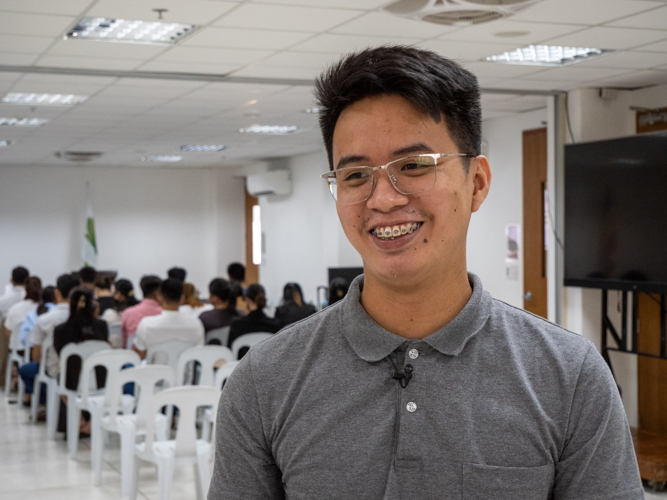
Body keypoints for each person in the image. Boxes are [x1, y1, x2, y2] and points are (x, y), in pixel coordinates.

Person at [210, 46, 643, 499]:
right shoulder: (265, 381)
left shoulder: (568, 376)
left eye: (413, 166)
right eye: (356, 175)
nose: (383, 199)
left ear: (476, 183)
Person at [53, 287, 109, 435]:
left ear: (70, 304)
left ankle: (80, 420)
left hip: (72, 383)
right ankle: (91, 424)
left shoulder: (60, 330)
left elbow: (61, 355)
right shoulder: (101, 326)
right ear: (93, 305)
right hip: (101, 381)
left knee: (61, 377)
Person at [133, 278, 204, 360]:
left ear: (160, 297)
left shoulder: (146, 324)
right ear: (182, 298)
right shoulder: (196, 324)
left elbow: (140, 356)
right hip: (185, 372)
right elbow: (199, 354)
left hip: (156, 372)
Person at [31, 273, 79, 379]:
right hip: (83, 371)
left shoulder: (43, 320)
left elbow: (36, 357)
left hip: (54, 370)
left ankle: (45, 395)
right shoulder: (89, 320)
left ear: (56, 293)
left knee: (26, 370)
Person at [18, 286, 56, 408]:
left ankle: (43, 401)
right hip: (60, 358)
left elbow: (24, 338)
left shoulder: (32, 314)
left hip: (37, 355)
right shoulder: (64, 314)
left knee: (27, 369)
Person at [3, 276, 41, 395]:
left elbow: (7, 332)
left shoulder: (15, 308)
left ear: (25, 289)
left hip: (18, 349)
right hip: (37, 350)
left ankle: (19, 384)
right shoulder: (43, 307)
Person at [227, 284, 280, 358]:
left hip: (242, 367)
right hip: (267, 367)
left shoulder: (237, 325)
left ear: (248, 300)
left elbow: (229, 352)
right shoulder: (275, 325)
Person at [0, 266, 29, 387]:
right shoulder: (30, 298)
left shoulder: (4, 299)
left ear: (11, 280)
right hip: (28, 337)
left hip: (8, 332)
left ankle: (2, 379)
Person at [120, 275, 162, 349]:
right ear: (157, 293)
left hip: (133, 357)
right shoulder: (163, 313)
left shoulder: (127, 313)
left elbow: (123, 344)